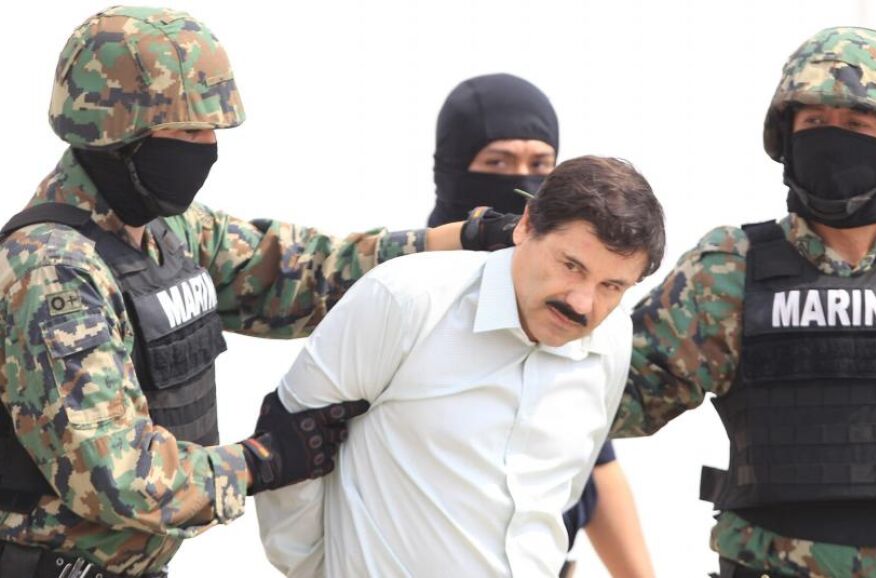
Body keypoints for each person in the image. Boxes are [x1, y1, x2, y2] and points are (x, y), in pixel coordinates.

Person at [0, 7, 494, 577]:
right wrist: (263, 461)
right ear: (116, 132)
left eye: (211, 130)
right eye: (188, 130)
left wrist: (458, 239)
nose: (207, 146)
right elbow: (118, 478)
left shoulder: (163, 230)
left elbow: (297, 274)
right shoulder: (52, 272)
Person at [614, 26, 876, 577]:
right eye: (814, 122)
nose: (832, 139)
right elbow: (603, 398)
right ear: (787, 137)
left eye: (856, 125)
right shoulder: (727, 273)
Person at [256, 155, 666, 577]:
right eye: (571, 266)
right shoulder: (404, 301)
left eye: (611, 286)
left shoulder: (612, 339)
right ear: (526, 225)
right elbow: (287, 441)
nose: (582, 302)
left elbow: (566, 489)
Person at [430, 72, 654, 578]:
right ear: (453, 165)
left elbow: (595, 463)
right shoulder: (409, 299)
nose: (520, 182)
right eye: (497, 163)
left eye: (539, 165)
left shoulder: (569, 306)